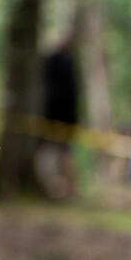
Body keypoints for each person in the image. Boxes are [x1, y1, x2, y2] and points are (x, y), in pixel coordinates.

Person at [40, 36, 79, 199]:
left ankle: (65, 188)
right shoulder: (65, 63)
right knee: (60, 153)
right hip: (60, 117)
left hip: (56, 116)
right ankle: (62, 187)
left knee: (58, 153)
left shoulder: (57, 63)